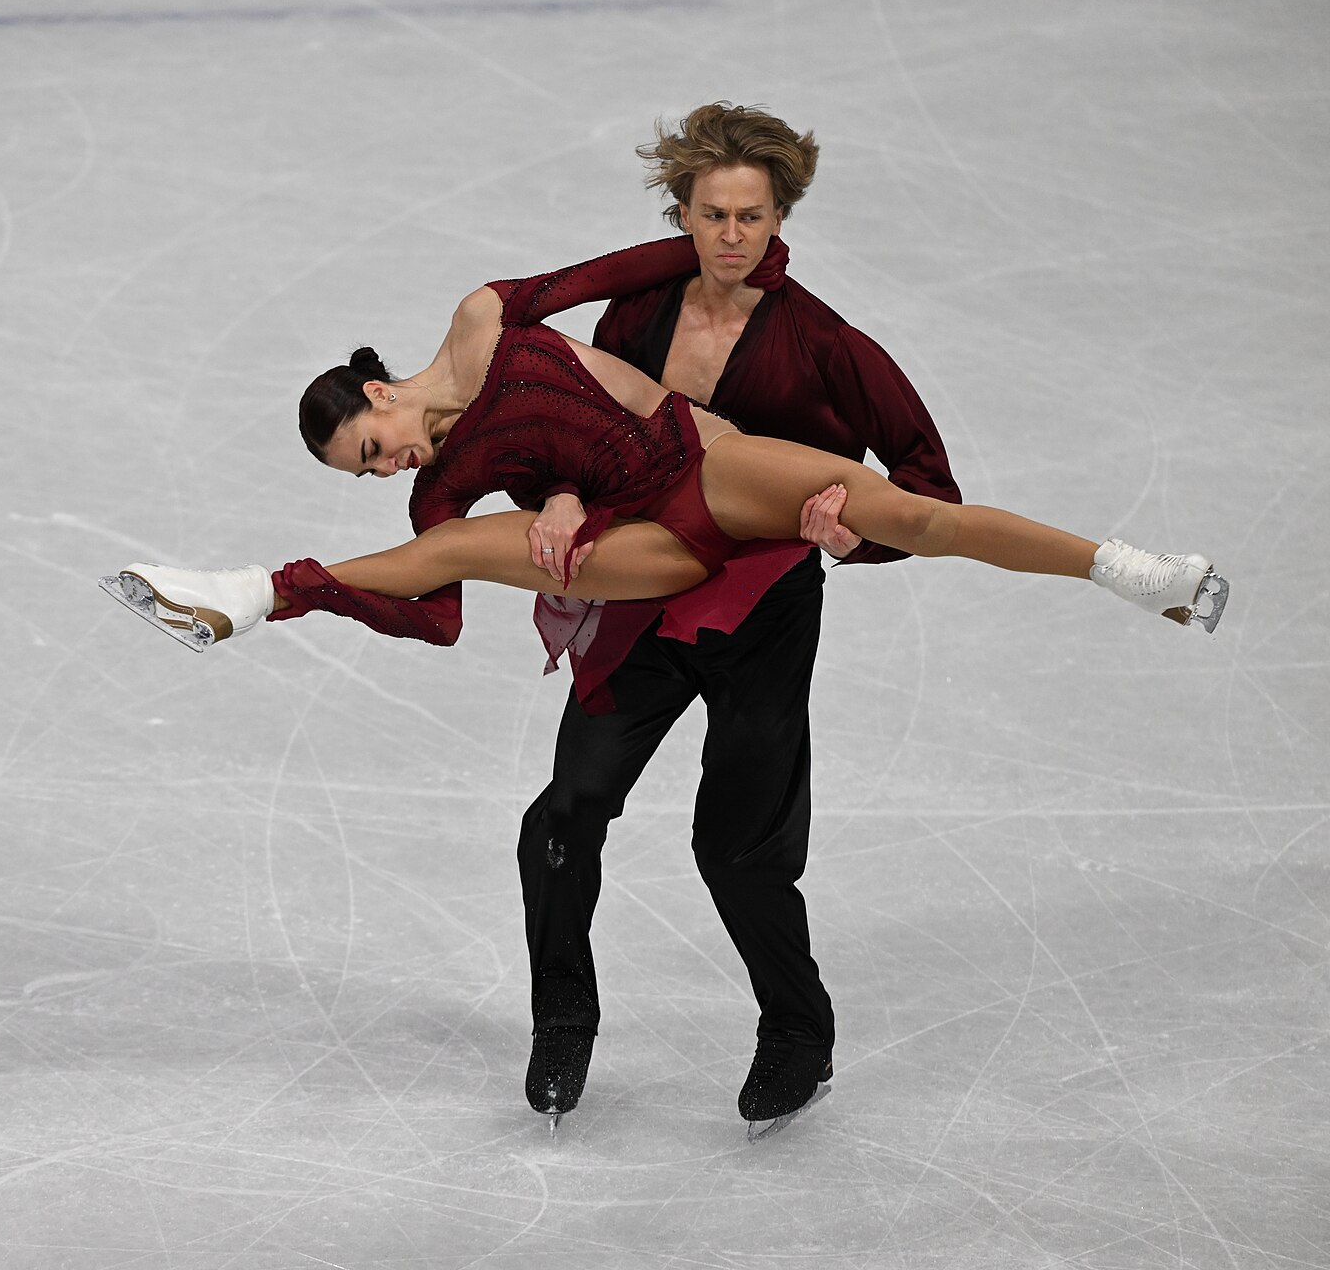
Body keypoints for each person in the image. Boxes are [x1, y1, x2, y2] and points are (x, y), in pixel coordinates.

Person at [101, 114, 1229, 1136]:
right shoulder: (474, 456)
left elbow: (897, 469)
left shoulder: (547, 318)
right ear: (687, 214)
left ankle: (1124, 568)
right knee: (553, 801)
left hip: (735, 529)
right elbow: (440, 607)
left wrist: (848, 533)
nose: (393, 464)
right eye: (710, 216)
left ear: (379, 394)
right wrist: (551, 496)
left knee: (791, 741)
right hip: (639, 568)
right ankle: (259, 595)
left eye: (375, 445)